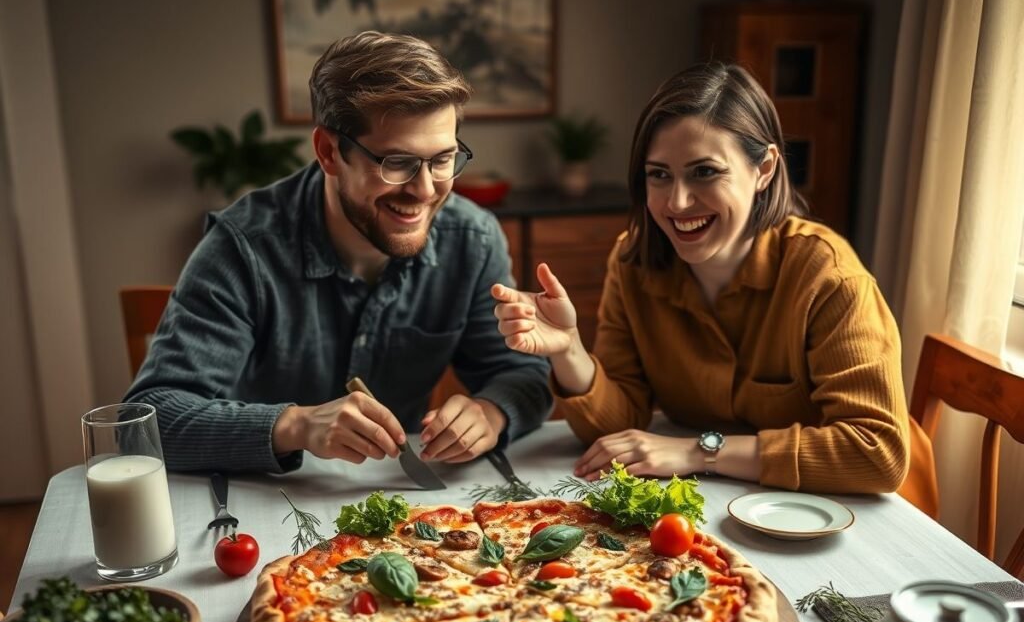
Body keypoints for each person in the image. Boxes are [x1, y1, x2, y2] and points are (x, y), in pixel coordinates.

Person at [492, 61, 930, 497]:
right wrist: (569, 349)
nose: (677, 202)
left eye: (705, 172)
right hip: (728, 502)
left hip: (853, 512)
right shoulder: (632, 261)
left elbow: (878, 453)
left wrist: (700, 453)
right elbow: (618, 430)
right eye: (659, 175)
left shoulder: (828, 275)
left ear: (765, 170)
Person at [126, 31, 551, 474]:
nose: (425, 191)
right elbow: (151, 419)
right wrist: (295, 425)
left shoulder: (473, 239)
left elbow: (522, 376)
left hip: (405, 511)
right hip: (267, 504)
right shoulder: (242, 247)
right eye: (397, 163)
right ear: (329, 152)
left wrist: (490, 411)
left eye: (442, 159)